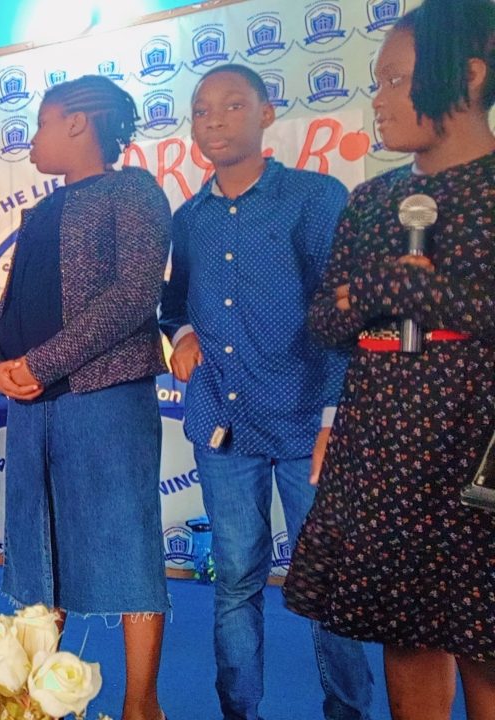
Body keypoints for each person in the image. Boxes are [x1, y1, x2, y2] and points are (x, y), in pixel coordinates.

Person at [283, 2, 495, 718]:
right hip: (386, 447)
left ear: (470, 75)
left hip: (478, 447)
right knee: (405, 631)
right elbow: (325, 321)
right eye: (378, 83)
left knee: (486, 639)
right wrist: (376, 292)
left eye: (397, 81)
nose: (379, 99)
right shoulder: (373, 201)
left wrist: (425, 293)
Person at [159, 64, 372, 720]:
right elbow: (172, 303)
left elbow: (343, 314)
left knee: (328, 582)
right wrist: (183, 335)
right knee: (235, 580)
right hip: (224, 425)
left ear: (266, 113)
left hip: (310, 423)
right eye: (201, 111)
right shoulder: (189, 218)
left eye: (231, 105)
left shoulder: (314, 198)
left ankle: (347, 711)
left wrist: (335, 416)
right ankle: (239, 710)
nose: (214, 121)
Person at [0, 75, 170, 720]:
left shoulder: (132, 191)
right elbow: (9, 303)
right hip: (33, 406)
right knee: (39, 551)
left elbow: (134, 294)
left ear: (77, 123)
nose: (32, 139)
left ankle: (141, 705)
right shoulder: (38, 213)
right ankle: (35, 698)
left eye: (41, 123)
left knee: (129, 547)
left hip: (106, 398)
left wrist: (41, 362)